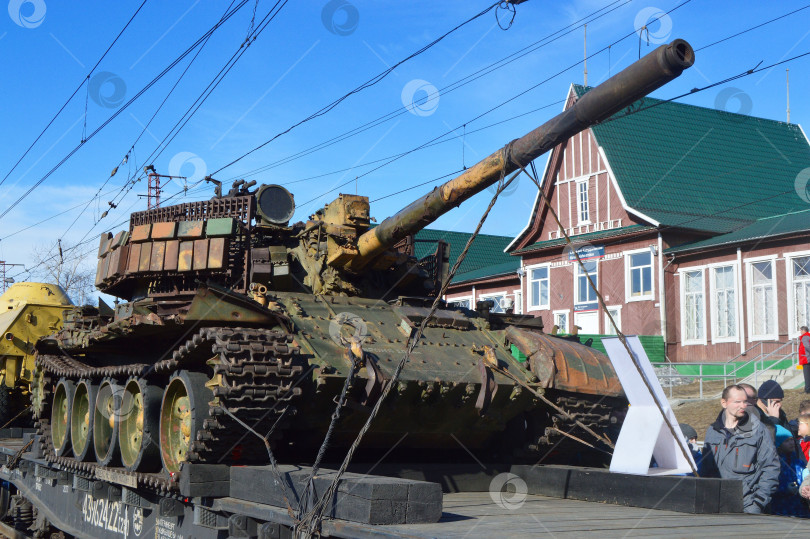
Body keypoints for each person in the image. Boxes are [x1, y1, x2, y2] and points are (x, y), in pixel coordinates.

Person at [700, 384, 779, 514]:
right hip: (715, 505)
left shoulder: (759, 430)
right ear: (724, 403)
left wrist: (757, 503)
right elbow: (706, 470)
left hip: (747, 506)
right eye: (737, 402)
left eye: (745, 401)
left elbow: (771, 468)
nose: (743, 406)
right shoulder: (712, 431)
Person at [801, 325, 810, 393]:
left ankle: (807, 390)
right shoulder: (808, 336)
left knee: (806, 375)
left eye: (801, 330)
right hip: (807, 358)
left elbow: (807, 346)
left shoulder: (804, 337)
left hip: (806, 359)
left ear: (804, 330)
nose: (800, 332)